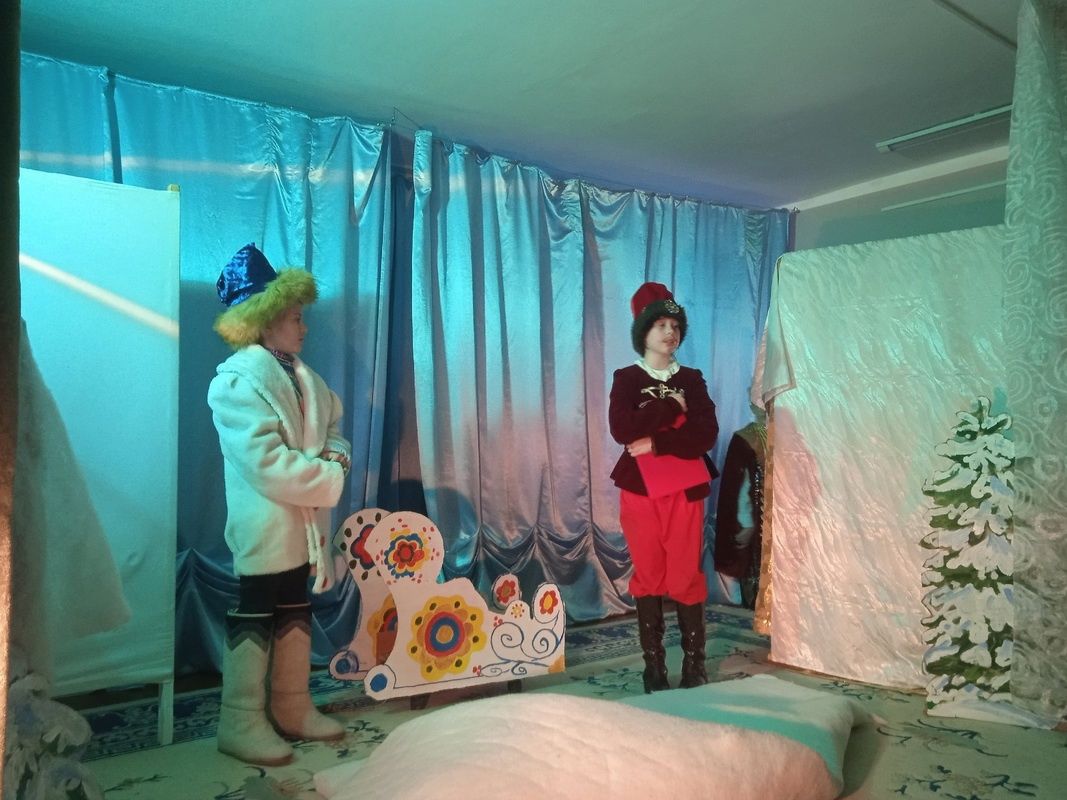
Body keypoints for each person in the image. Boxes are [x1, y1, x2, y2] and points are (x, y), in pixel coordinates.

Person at [208, 243, 350, 765]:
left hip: (302, 521)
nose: (304, 327)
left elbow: (332, 428)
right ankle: (239, 718)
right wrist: (329, 473)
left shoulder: (305, 377)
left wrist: (335, 454)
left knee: (294, 604)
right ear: (266, 321)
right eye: (295, 318)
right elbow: (264, 462)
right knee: (257, 606)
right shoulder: (235, 384)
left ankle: (291, 704)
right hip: (267, 520)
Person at [609, 282, 719, 693]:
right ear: (643, 331)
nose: (670, 332)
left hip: (685, 491)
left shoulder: (692, 378)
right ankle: (653, 667)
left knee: (685, 574)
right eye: (660, 325)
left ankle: (694, 666)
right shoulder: (626, 379)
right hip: (639, 490)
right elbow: (623, 429)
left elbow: (705, 434)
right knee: (650, 573)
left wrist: (657, 442)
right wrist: (672, 406)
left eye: (675, 325)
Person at [713, 410, 767, 609]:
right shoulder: (748, 438)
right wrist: (745, 522)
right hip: (759, 528)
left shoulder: (792, 434)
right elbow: (740, 487)